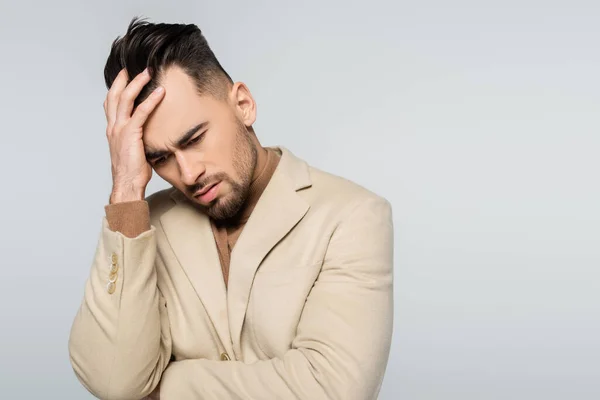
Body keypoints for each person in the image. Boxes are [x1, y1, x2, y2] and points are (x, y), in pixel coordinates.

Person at [68, 17, 394, 400]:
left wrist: (162, 390)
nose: (189, 173)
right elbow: (113, 382)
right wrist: (125, 191)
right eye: (161, 158)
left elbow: (333, 389)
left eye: (194, 139)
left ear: (243, 105)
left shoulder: (352, 216)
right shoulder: (142, 226)